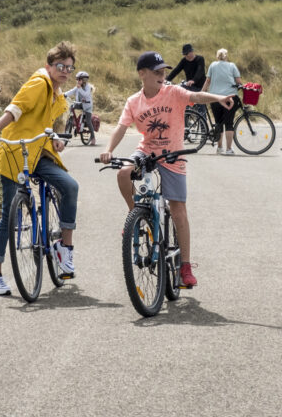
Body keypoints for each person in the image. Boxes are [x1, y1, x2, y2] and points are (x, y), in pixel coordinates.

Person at [99, 51, 235, 288]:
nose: (162, 75)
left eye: (163, 71)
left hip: (172, 154)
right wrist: (109, 149)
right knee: (123, 173)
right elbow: (121, 127)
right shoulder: (134, 101)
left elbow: (196, 96)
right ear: (142, 74)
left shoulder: (173, 92)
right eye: (156, 72)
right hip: (146, 150)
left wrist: (218, 97)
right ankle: (135, 215)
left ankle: (185, 266)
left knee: (178, 208)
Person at [0, 42, 81, 295]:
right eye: (60, 66)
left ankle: (64, 248)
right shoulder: (38, 83)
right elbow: (13, 110)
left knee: (70, 186)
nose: (65, 71)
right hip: (15, 153)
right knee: (8, 216)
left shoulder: (56, 91)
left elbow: (50, 120)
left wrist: (56, 138)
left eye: (69, 68)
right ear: (49, 66)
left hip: (38, 153)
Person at [202, 48, 242, 155]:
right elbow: (239, 82)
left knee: (218, 122)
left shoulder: (212, 65)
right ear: (226, 56)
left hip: (215, 97)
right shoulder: (232, 66)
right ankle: (229, 149)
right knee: (229, 123)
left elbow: (208, 80)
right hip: (230, 97)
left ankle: (219, 148)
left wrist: (202, 92)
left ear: (217, 56)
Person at [64, 71, 97, 145]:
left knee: (88, 121)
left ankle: (93, 138)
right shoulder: (78, 86)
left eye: (79, 79)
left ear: (84, 80)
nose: (77, 81)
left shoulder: (88, 87)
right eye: (77, 79)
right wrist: (64, 95)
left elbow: (85, 95)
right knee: (72, 107)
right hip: (79, 104)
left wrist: (79, 88)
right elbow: (71, 91)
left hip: (87, 106)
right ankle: (72, 121)